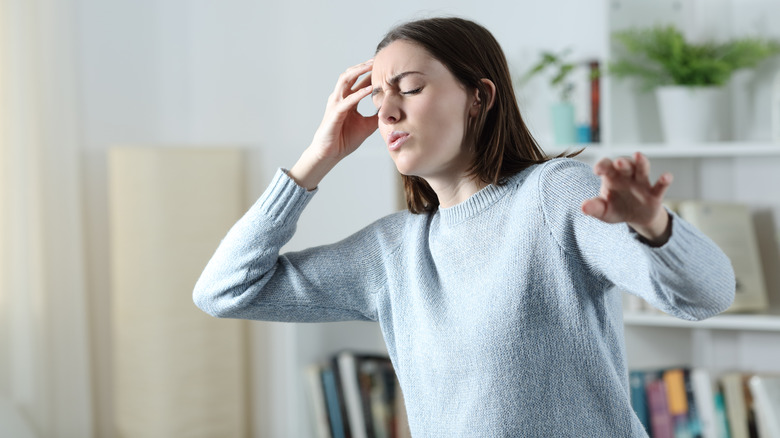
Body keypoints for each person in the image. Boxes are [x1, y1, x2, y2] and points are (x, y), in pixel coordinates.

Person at [193, 17, 735, 437]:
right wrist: (317, 157)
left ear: (479, 96)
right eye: (377, 96)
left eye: (408, 87)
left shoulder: (553, 195)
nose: (386, 112)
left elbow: (706, 295)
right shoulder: (392, 252)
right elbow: (224, 291)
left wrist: (653, 225)